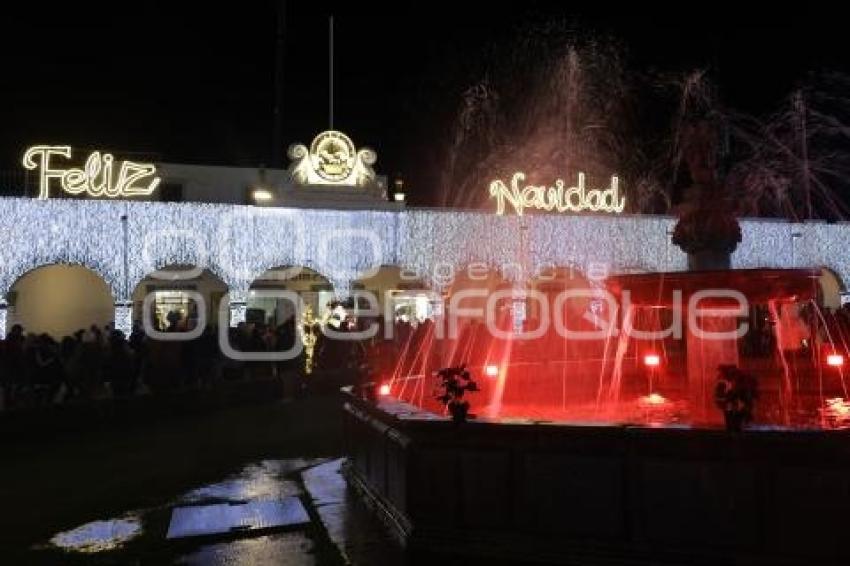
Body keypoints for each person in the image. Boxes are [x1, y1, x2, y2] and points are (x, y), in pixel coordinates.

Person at [714, 365, 757, 432]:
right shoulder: (727, 384)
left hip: (735, 408)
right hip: (733, 407)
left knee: (733, 423)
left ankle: (734, 433)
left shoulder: (739, 384)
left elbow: (736, 395)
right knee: (732, 423)